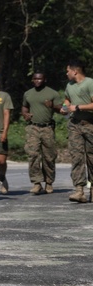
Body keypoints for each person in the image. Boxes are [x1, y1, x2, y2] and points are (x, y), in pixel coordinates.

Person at [21, 71, 59, 195]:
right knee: (33, 155)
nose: (37, 81)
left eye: (40, 79)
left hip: (47, 128)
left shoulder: (52, 93)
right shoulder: (28, 94)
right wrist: (25, 114)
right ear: (32, 80)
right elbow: (24, 107)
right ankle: (36, 183)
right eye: (35, 79)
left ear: (45, 80)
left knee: (49, 156)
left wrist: (52, 105)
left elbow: (62, 109)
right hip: (33, 127)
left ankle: (49, 182)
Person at [62, 61, 93, 204]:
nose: (66, 73)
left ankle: (92, 188)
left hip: (90, 125)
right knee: (76, 157)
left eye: (67, 70)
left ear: (75, 71)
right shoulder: (69, 85)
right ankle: (79, 190)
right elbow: (67, 100)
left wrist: (79, 107)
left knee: (91, 158)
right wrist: (65, 107)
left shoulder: (89, 83)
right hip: (74, 125)